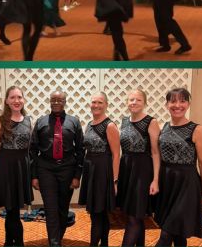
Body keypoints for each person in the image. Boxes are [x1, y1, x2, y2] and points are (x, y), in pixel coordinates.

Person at [154, 88, 202, 247]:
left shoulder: (197, 130)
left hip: (187, 186)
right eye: (173, 101)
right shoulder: (163, 126)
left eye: (182, 101)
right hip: (168, 183)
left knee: (166, 234)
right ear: (166, 104)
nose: (177, 105)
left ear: (188, 104)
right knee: (178, 234)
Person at [30, 91, 85, 246]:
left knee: (63, 208)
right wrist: (34, 175)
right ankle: (55, 243)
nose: (56, 102)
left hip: (67, 168)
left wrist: (77, 176)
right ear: (49, 101)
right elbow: (33, 149)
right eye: (53, 99)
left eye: (59, 100)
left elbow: (81, 150)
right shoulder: (41, 122)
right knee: (50, 208)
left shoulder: (74, 122)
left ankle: (57, 239)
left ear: (65, 102)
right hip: (46, 169)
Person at [0, 86, 33, 246]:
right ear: (6, 100)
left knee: (13, 211)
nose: (16, 101)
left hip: (22, 168)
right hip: (5, 167)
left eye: (19, 97)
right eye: (12, 97)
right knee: (12, 210)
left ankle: (8, 242)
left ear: (23, 100)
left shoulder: (28, 120)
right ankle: (18, 243)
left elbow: (29, 149)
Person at [116, 89, 161, 246]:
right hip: (127, 170)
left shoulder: (151, 122)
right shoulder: (124, 121)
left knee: (134, 217)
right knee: (134, 215)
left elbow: (156, 153)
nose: (134, 102)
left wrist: (156, 180)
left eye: (138, 100)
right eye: (131, 99)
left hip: (142, 172)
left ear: (145, 103)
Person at [78, 92, 120, 246]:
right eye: (94, 102)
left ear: (106, 105)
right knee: (99, 214)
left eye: (100, 102)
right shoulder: (89, 124)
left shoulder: (109, 126)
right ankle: (105, 244)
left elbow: (116, 155)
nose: (96, 105)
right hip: (91, 170)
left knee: (98, 214)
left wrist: (115, 181)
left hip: (103, 172)